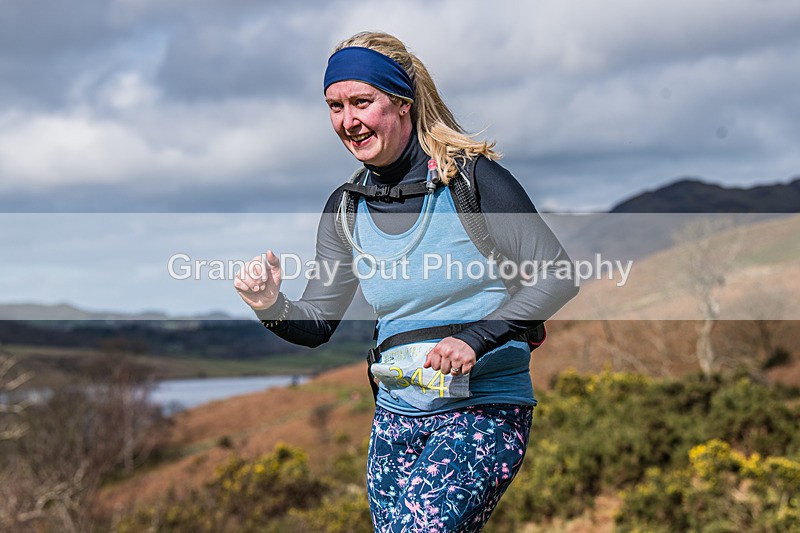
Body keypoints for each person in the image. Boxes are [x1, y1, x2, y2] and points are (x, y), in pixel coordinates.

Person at [235, 31, 578, 532]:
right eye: (334, 106)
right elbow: (317, 323)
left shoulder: (470, 181)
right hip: (396, 417)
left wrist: (474, 340)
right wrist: (269, 303)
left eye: (361, 102)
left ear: (402, 104)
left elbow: (558, 274)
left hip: (483, 407)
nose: (347, 121)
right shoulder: (345, 209)